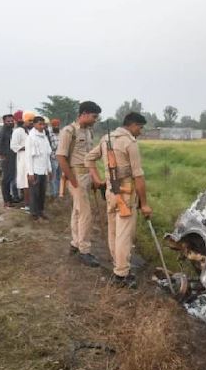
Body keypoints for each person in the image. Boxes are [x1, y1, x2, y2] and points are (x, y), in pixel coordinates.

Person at [85, 112, 152, 288]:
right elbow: (138, 176)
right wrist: (144, 204)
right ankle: (121, 273)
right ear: (132, 125)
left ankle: (118, 265)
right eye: (140, 127)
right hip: (126, 192)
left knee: (114, 231)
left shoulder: (106, 139)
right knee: (124, 235)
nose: (141, 131)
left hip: (110, 191)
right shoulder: (129, 143)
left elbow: (88, 159)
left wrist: (98, 180)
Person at [56, 101, 102, 267]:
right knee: (85, 214)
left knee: (77, 212)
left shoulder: (88, 132)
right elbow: (61, 157)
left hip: (86, 175)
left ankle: (75, 243)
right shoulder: (69, 131)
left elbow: (89, 157)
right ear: (84, 114)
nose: (96, 120)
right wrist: (72, 180)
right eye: (94, 116)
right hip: (76, 176)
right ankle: (84, 250)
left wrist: (94, 177)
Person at [26, 116, 52, 220]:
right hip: (35, 170)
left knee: (42, 193)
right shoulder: (30, 138)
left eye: (43, 124)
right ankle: (34, 213)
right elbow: (28, 157)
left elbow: (47, 155)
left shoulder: (44, 137)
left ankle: (41, 211)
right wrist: (30, 172)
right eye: (40, 124)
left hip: (44, 170)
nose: (42, 126)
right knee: (34, 193)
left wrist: (49, 169)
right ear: (34, 125)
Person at [10, 111, 34, 208]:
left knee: (31, 181)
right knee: (25, 182)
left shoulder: (31, 131)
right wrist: (26, 147)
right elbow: (13, 146)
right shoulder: (18, 131)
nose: (31, 123)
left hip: (32, 159)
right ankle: (27, 203)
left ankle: (31, 203)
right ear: (25, 120)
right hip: (23, 159)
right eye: (30, 121)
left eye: (33, 121)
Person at [0, 114, 18, 206]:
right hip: (6, 159)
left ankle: (9, 198)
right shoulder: (3, 131)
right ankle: (6, 201)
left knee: (10, 178)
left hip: (11, 158)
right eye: (8, 121)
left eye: (12, 121)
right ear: (4, 122)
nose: (11, 122)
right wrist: (1, 155)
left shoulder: (10, 131)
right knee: (6, 180)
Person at [46, 119, 61, 199]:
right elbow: (53, 146)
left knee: (59, 176)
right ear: (52, 125)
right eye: (54, 125)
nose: (56, 127)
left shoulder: (61, 133)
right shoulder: (49, 133)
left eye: (57, 125)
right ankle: (53, 194)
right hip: (53, 157)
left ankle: (58, 192)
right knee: (53, 177)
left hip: (61, 158)